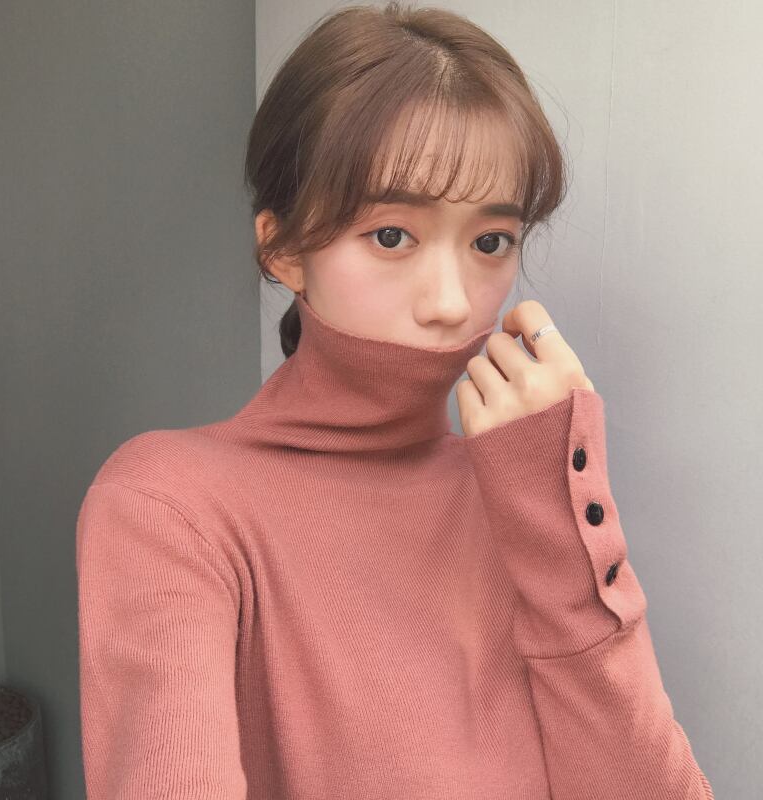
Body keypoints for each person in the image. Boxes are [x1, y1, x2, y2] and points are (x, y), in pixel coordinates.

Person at [76, 3, 714, 798]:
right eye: (391, 236)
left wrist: (559, 520)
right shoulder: (170, 505)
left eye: (490, 242)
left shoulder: (521, 497)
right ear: (283, 247)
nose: (450, 302)